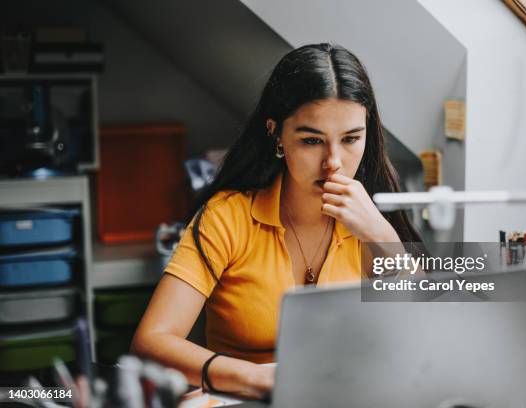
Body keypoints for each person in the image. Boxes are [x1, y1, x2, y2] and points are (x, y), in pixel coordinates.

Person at [131, 43, 422, 400]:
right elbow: (151, 341)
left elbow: (424, 333)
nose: (334, 162)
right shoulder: (227, 217)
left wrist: (382, 236)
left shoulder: (376, 220)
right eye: (312, 140)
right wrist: (258, 380)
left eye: (350, 139)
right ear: (276, 133)